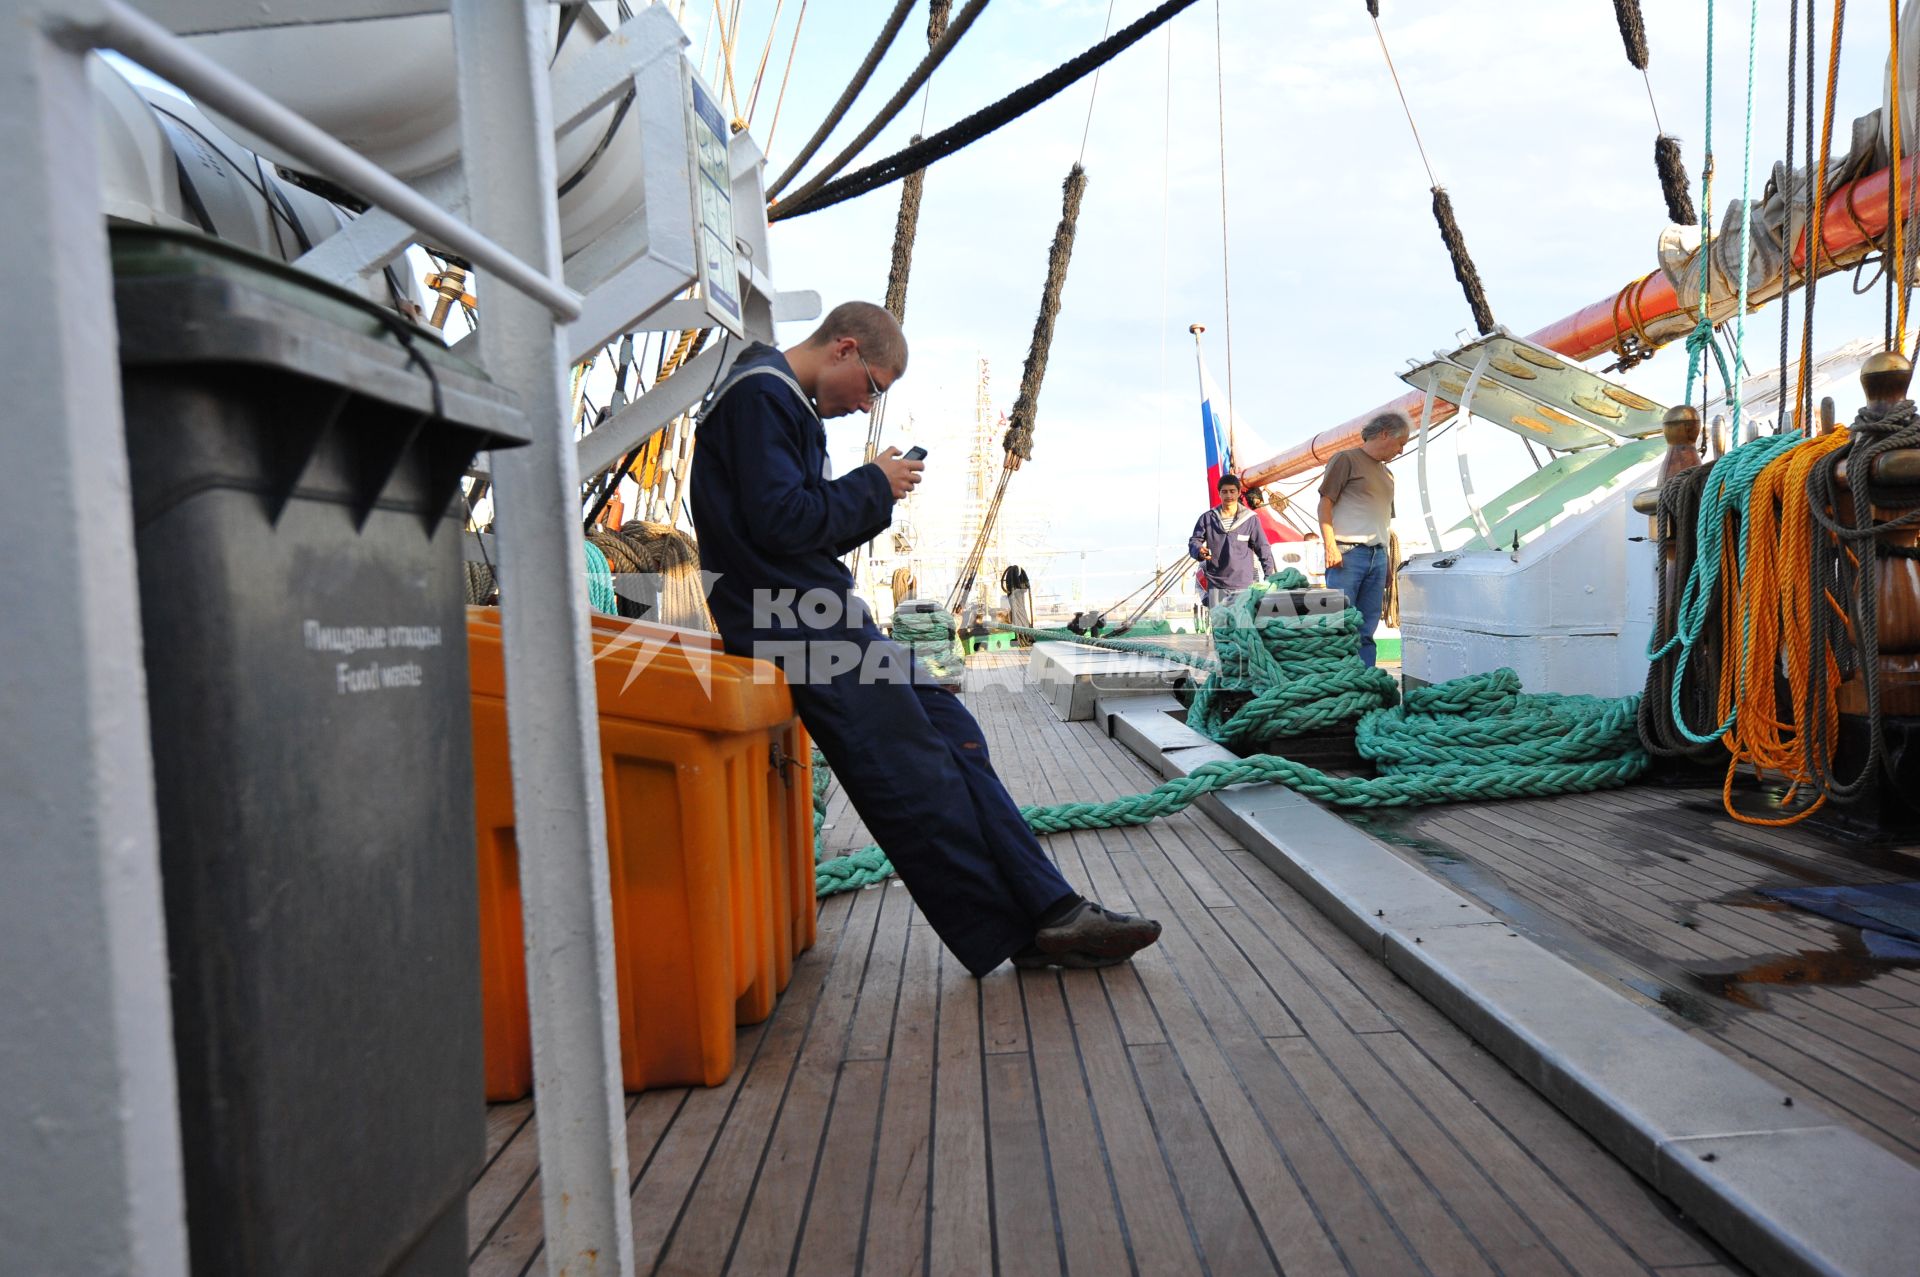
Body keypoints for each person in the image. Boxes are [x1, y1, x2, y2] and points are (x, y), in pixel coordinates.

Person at [689, 302, 1161, 976]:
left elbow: (789, 524)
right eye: (874, 385)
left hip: (816, 618)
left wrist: (875, 491)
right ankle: (1024, 928)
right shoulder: (762, 395)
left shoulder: (772, 396)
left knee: (955, 732)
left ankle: (1051, 908)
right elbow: (782, 522)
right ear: (844, 348)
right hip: (791, 624)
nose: (867, 403)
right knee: (914, 768)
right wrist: (870, 485)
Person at [1318, 412, 1410, 666]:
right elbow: (1325, 505)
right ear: (1384, 434)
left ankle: (1364, 682)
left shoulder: (1389, 475)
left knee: (1367, 628)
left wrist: (1388, 561)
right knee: (1341, 625)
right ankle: (1338, 682)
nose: (1401, 450)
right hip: (1347, 554)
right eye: (1401, 442)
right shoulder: (1345, 459)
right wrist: (1330, 547)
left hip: (1378, 557)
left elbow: (1383, 522)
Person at [1187, 472, 1275, 607]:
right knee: (1221, 626)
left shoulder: (1250, 519)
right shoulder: (1207, 518)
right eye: (1225, 492)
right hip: (1216, 585)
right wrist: (1198, 550)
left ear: (1239, 493)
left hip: (1243, 585)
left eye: (1232, 491)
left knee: (1243, 625)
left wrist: (1269, 577)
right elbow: (1194, 541)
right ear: (1219, 494)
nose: (1229, 495)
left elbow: (1263, 548)